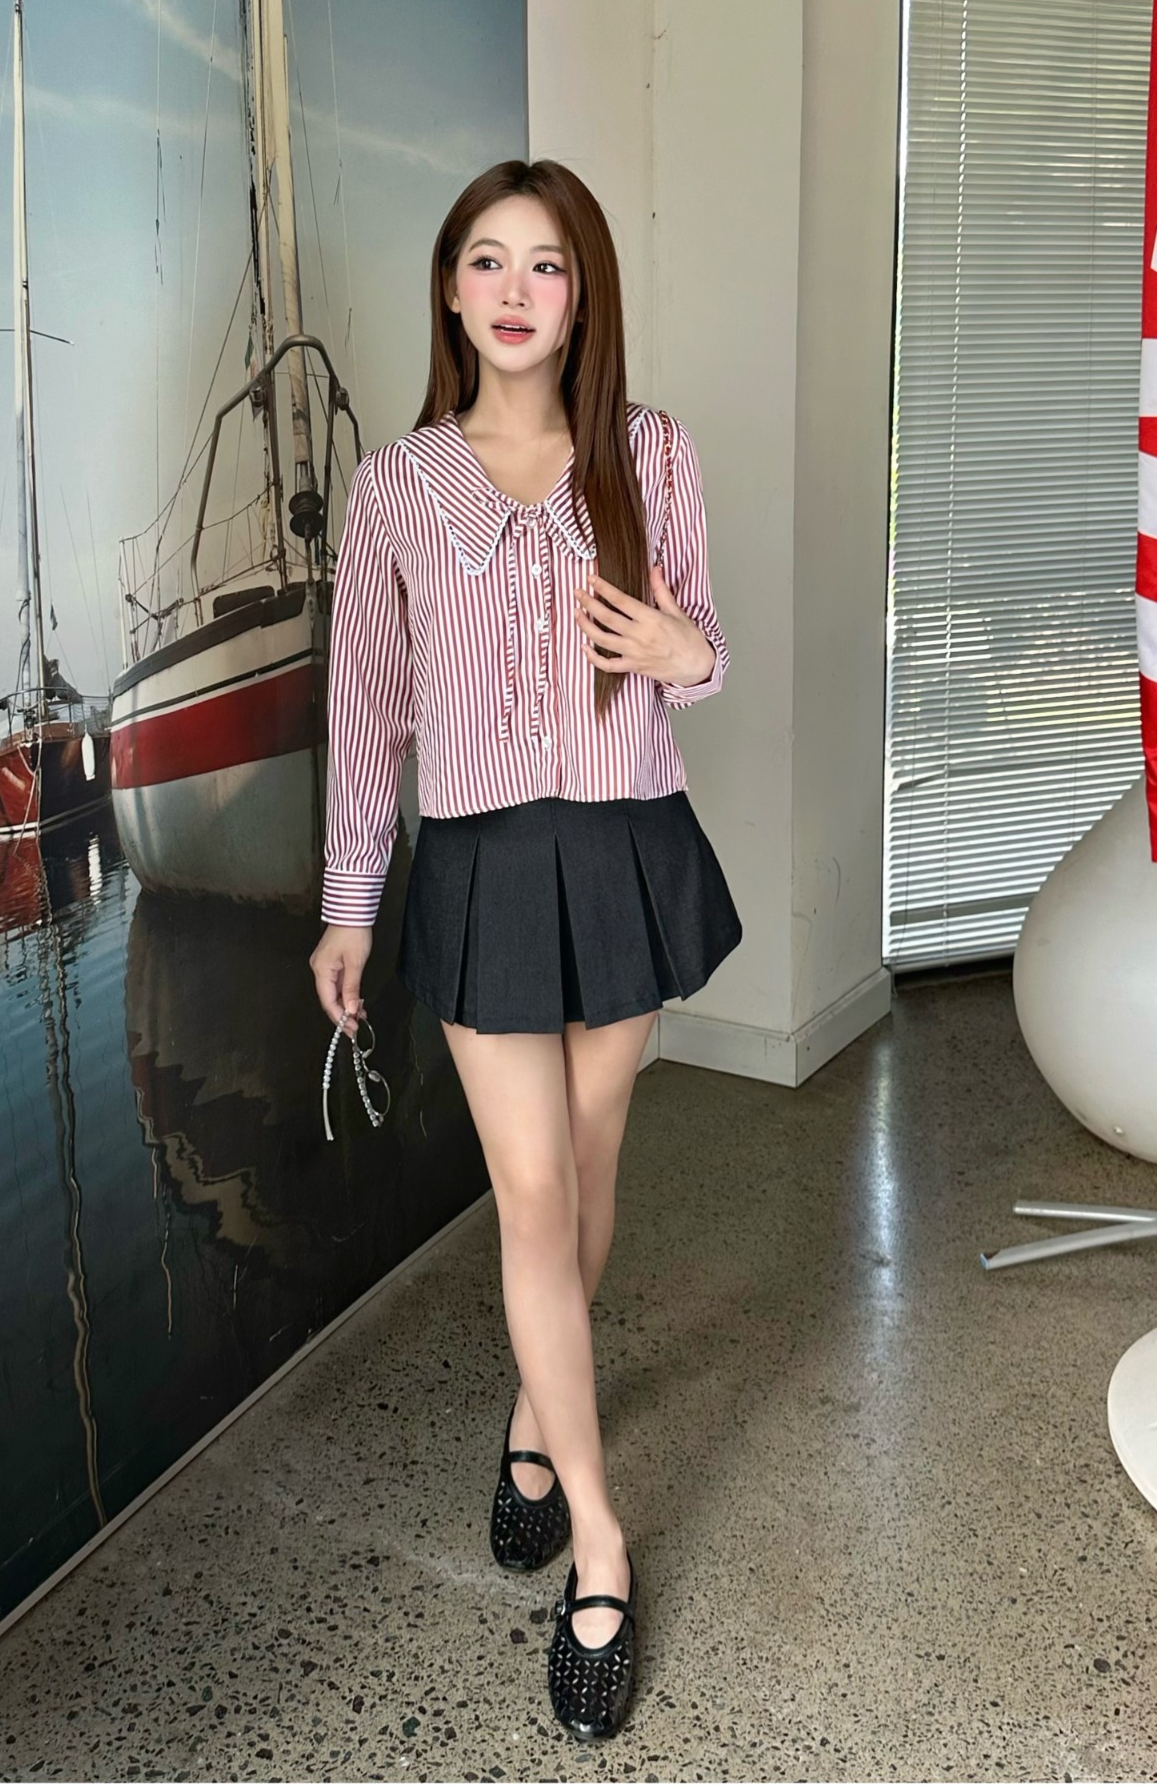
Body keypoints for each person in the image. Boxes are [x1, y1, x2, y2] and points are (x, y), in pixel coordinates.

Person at [309, 157, 741, 1741]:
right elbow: (369, 711)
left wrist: (687, 649)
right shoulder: (397, 489)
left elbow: (701, 651)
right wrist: (352, 902)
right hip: (486, 866)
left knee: (593, 1169)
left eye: (544, 264)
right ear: (450, 288)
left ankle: (531, 1424)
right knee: (534, 1189)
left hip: (621, 850)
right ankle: (602, 1550)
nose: (513, 290)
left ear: (581, 293)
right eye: (486, 260)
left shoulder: (651, 453)